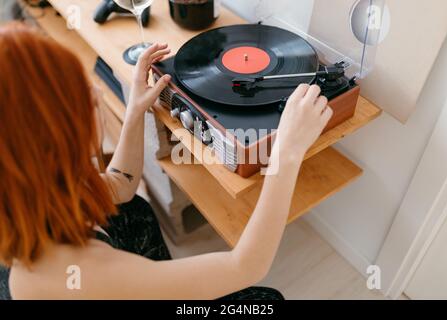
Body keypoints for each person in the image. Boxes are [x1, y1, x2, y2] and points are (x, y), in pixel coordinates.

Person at [0, 22, 332, 300]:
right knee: (265, 303)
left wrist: (135, 110)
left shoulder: (31, 187)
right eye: (79, 93)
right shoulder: (76, 276)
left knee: (130, 211)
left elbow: (121, 184)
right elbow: (246, 266)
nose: (96, 93)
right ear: (51, 140)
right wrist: (286, 153)